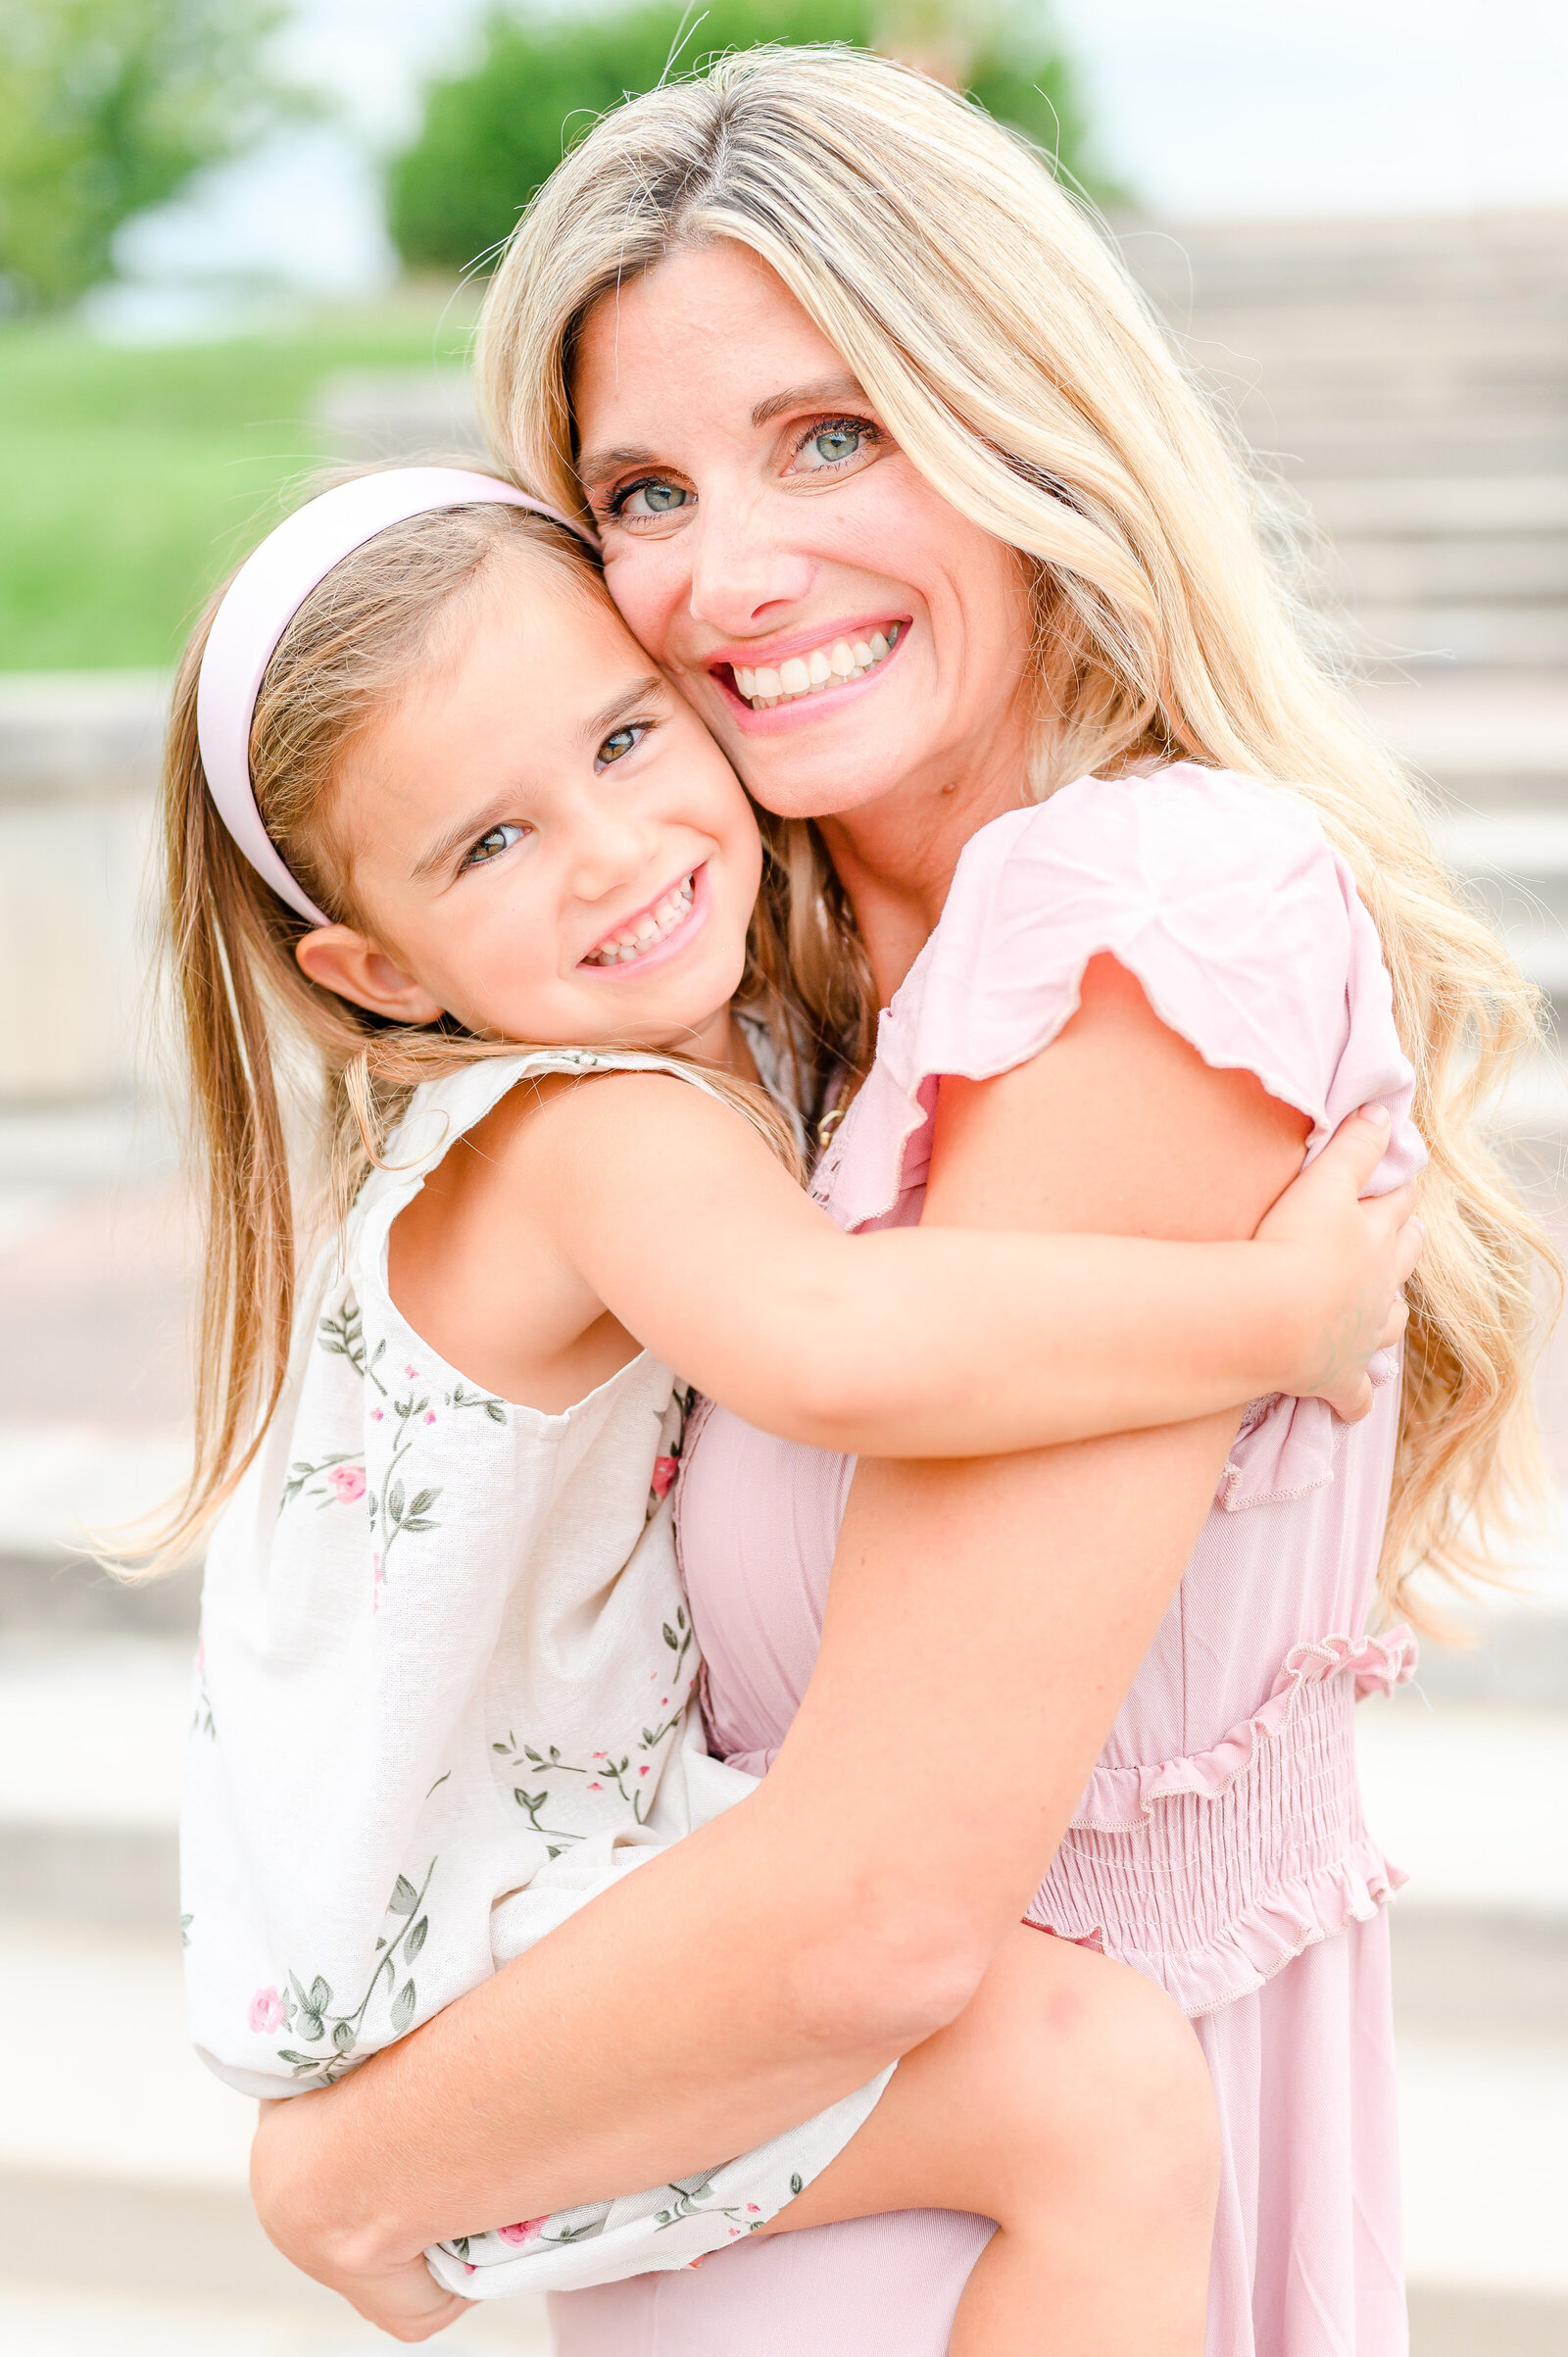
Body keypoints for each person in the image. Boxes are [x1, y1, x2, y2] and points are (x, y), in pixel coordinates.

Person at [247, 49, 1555, 2356]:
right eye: (640, 487)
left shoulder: (1133, 921)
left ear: (1023, 427)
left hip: (991, 2246)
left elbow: (875, 1910)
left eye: (832, 433)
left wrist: (355, 2168)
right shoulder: (751, 1023)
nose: (729, 577)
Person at [166, 462, 1411, 2347]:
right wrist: (1280, 1313)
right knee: (1096, 2088)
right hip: (497, 1951)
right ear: (372, 970)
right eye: (488, 844)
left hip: (492, 1919)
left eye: (622, 738)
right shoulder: (593, 1133)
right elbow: (842, 1343)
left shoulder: (668, 1082)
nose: (605, 847)